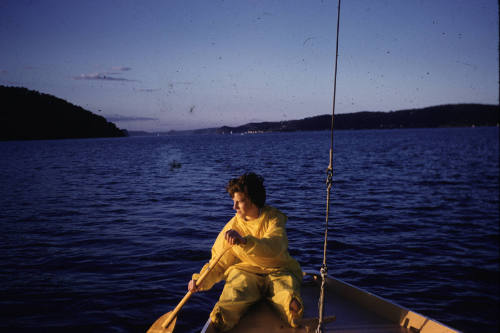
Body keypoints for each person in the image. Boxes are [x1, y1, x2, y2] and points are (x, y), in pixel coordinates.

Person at [188, 172, 303, 331]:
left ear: (254, 199)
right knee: (227, 304)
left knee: (292, 304)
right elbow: (219, 262)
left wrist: (244, 241)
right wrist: (200, 280)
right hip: (246, 271)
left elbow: (274, 246)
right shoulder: (232, 228)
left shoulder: (273, 218)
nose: (234, 207)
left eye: (240, 201)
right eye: (233, 201)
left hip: (279, 270)